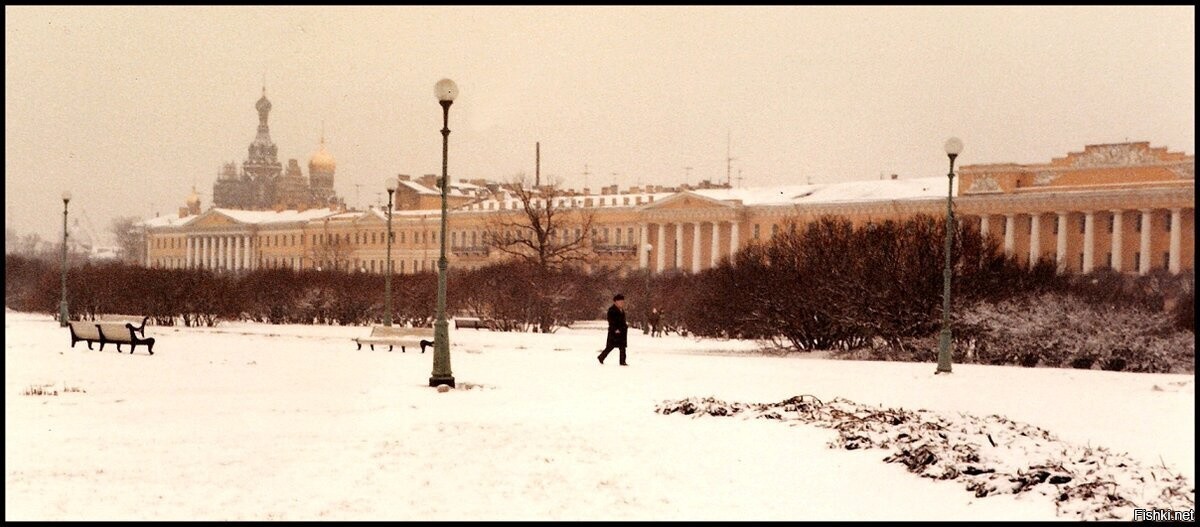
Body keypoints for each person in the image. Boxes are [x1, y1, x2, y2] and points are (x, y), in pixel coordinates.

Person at [598, 294, 629, 366]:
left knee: (622, 347)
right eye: (620, 301)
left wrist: (625, 326)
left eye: (622, 302)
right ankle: (601, 357)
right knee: (610, 346)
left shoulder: (622, 310)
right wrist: (615, 329)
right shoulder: (612, 310)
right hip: (614, 331)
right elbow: (611, 320)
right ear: (616, 302)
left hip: (622, 331)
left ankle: (622, 361)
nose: (622, 303)